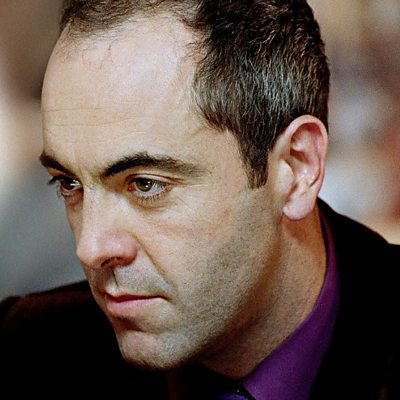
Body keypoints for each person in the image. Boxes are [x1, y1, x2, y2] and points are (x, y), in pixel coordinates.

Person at [1, 0, 399, 398]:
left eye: (146, 185)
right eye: (69, 184)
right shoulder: (26, 354)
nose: (90, 248)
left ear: (296, 168)